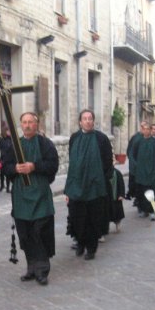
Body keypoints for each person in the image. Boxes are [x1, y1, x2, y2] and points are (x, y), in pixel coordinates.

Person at [3, 112, 59, 285]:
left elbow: (52, 165)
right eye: (24, 122)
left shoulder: (45, 144)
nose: (27, 125)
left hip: (40, 195)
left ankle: (42, 270)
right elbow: (5, 167)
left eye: (30, 122)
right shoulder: (14, 145)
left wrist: (34, 166)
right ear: (21, 125)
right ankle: (31, 268)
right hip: (21, 196)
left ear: (37, 124)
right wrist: (16, 169)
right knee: (25, 234)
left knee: (39, 233)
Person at [64, 109, 113, 260]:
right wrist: (68, 188)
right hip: (76, 186)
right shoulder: (74, 138)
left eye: (90, 118)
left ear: (93, 121)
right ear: (80, 122)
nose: (87, 121)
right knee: (77, 217)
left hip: (95, 187)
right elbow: (72, 163)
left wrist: (101, 180)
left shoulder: (101, 139)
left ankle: (91, 248)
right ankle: (80, 243)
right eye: (84, 119)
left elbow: (107, 162)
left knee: (92, 218)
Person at [133, 122, 155, 219]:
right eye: (144, 129)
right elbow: (134, 154)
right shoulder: (138, 142)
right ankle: (143, 210)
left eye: (148, 129)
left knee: (153, 191)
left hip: (153, 171)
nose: (146, 131)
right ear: (142, 130)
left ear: (151, 131)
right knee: (142, 191)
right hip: (142, 172)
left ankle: (153, 211)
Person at [126, 122, 146, 200]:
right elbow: (130, 150)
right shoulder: (135, 137)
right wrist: (133, 162)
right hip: (135, 165)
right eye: (142, 127)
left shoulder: (149, 138)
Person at [109, 163, 125, 233]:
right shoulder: (103, 173)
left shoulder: (117, 173)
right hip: (107, 198)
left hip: (116, 197)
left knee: (117, 213)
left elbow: (121, 185)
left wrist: (121, 195)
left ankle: (117, 224)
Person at [0, 127, 13, 192]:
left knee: (8, 174)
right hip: (2, 158)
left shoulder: (10, 139)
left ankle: (8, 187)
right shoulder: (0, 139)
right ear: (5, 132)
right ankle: (2, 185)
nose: (9, 132)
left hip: (9, 158)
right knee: (2, 173)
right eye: (8, 131)